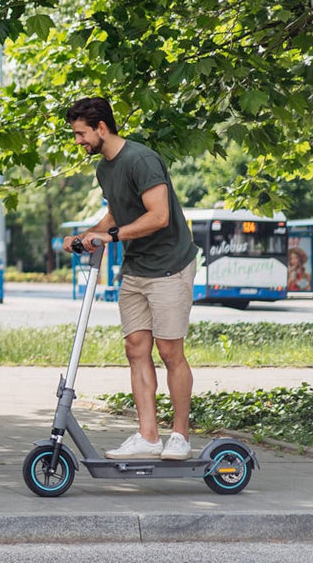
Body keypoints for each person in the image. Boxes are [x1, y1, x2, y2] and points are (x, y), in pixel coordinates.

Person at [62, 97, 199, 461]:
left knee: (170, 352)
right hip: (137, 269)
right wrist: (85, 234)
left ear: (101, 127)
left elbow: (159, 216)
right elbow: (115, 214)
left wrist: (112, 236)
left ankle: (180, 437)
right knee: (136, 349)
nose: (78, 141)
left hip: (170, 265)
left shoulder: (141, 160)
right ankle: (148, 436)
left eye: (80, 134)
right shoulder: (105, 169)